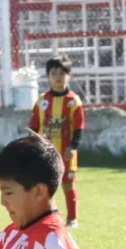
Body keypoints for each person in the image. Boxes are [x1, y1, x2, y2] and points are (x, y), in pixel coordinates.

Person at [29, 55, 85, 229]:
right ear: (48, 76)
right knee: (43, 187)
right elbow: (33, 127)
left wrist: (73, 146)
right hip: (45, 154)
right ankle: (44, 219)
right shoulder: (42, 101)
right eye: (54, 73)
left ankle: (72, 219)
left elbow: (78, 127)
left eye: (62, 73)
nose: (58, 77)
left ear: (69, 75)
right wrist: (34, 147)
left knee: (68, 184)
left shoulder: (73, 101)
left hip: (66, 152)